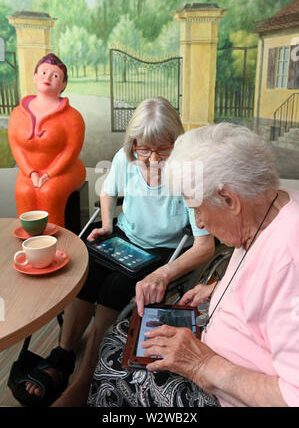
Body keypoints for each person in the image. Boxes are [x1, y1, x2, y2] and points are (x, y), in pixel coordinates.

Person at [87, 122, 299, 408]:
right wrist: (220, 288)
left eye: (198, 209)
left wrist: (202, 364)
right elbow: (265, 288)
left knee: (117, 361)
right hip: (218, 347)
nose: (198, 222)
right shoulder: (272, 203)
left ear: (228, 199)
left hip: (225, 394)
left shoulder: (290, 262)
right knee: (123, 334)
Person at [20, 97, 214, 407]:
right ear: (133, 143)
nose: (151, 159)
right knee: (86, 273)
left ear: (175, 144)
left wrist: (163, 273)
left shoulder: (188, 174)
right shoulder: (127, 158)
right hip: (124, 236)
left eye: (161, 150)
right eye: (143, 149)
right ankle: (62, 357)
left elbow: (206, 246)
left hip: (163, 251)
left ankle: (86, 380)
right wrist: (108, 224)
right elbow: (107, 190)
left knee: (115, 288)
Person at [8, 53, 86, 227]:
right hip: (30, 171)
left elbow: (71, 151)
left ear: (63, 84)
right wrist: (31, 172)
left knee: (50, 192)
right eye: (43, 72)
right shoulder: (17, 114)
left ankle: (55, 243)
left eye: (55, 75)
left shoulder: (73, 117)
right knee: (24, 190)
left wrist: (49, 174)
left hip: (65, 170)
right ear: (35, 77)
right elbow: (16, 147)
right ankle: (30, 243)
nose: (48, 77)